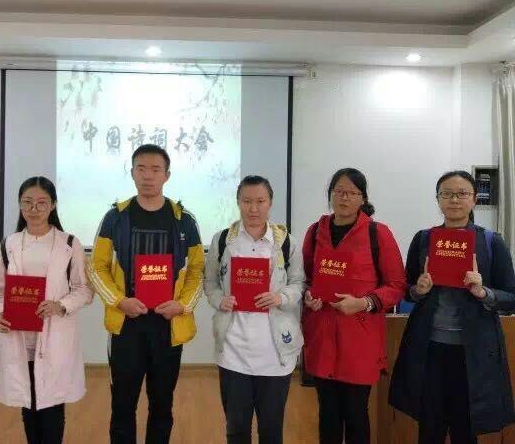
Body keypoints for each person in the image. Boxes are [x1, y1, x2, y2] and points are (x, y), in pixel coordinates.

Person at [87, 144, 205, 444]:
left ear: (167, 175)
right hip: (126, 326)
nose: (148, 176)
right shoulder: (115, 218)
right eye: (141, 169)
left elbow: (197, 272)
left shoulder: (184, 220)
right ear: (132, 173)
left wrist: (182, 306)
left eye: (155, 169)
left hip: (168, 327)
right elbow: (96, 268)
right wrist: (120, 301)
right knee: (122, 405)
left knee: (162, 405)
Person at [389, 170, 515, 444]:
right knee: (429, 428)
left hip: (474, 353)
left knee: (465, 429)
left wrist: (483, 292)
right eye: (446, 194)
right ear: (438, 199)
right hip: (429, 348)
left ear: (474, 199)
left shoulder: (491, 241)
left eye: (462, 194)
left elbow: (511, 296)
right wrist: (418, 289)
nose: (454, 200)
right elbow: (405, 289)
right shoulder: (424, 239)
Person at [301, 167, 405, 444]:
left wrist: (364, 303)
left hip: (360, 337)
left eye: (351, 193)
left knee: (356, 412)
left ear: (363, 198)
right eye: (338, 191)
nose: (344, 198)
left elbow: (397, 285)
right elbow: (306, 278)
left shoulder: (377, 233)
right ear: (330, 195)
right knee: (328, 413)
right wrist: (308, 294)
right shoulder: (315, 231)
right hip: (322, 334)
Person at [0, 176, 92, 444]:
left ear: (53, 205)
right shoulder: (9, 244)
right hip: (20, 335)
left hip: (55, 335)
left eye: (41, 203)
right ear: (20, 205)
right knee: (29, 404)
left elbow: (84, 290)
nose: (34, 209)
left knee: (52, 406)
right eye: (27, 203)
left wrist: (61, 305)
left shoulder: (69, 243)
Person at [204, 175, 303, 444]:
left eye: (260, 201)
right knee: (236, 429)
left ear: (270, 203)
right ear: (238, 202)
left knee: (271, 431)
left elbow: (298, 283)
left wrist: (280, 297)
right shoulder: (223, 240)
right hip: (233, 351)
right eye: (247, 201)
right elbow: (210, 282)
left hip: (275, 353)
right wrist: (219, 300)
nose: (253, 208)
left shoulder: (286, 242)